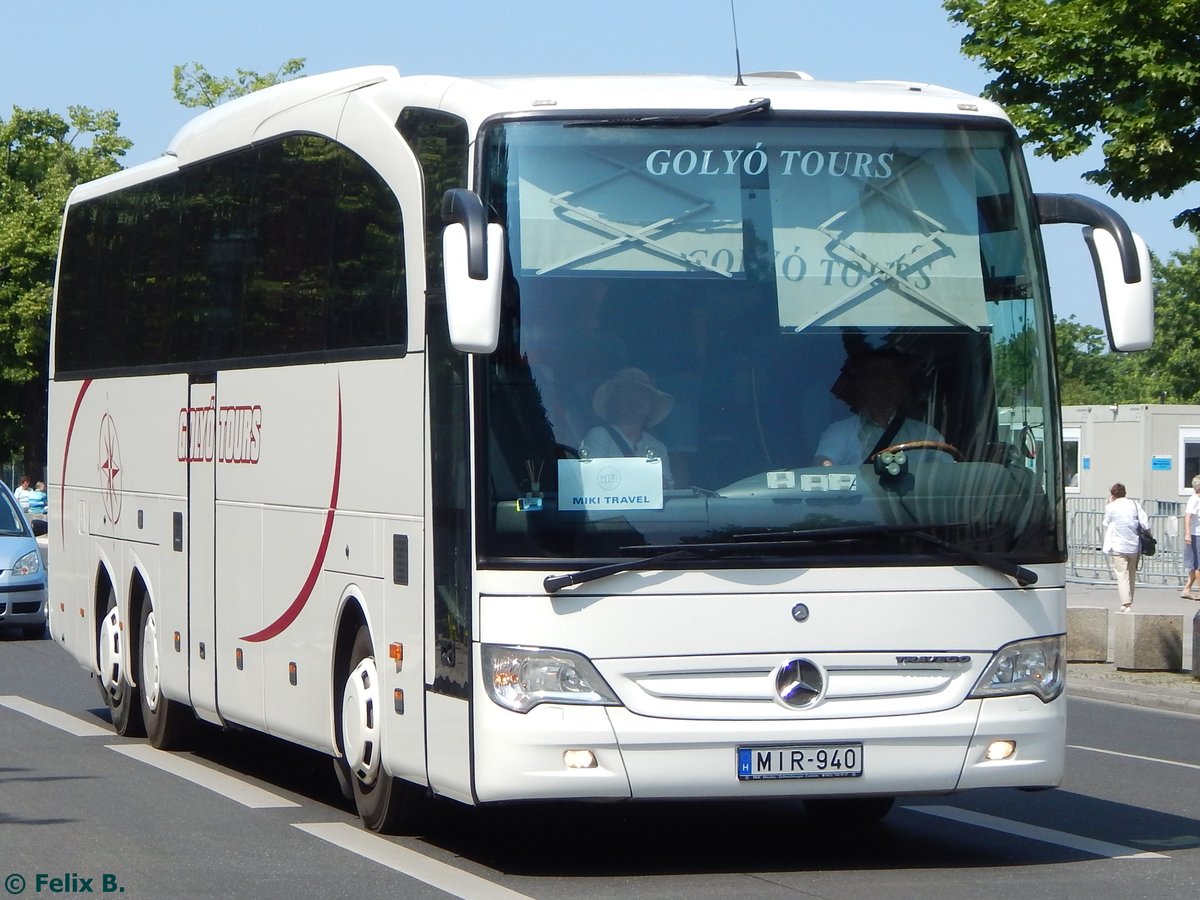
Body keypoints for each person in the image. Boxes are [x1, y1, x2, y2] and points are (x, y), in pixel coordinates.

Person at [812, 349, 950, 466]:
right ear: (862, 386)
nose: (881, 384)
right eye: (874, 377)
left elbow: (948, 475)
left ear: (899, 385)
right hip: (860, 498)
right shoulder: (841, 432)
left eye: (887, 377)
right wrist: (826, 466)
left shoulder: (926, 434)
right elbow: (823, 466)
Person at [580, 367, 675, 489]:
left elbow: (667, 489)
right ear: (614, 402)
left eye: (642, 395)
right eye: (627, 394)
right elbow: (592, 482)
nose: (634, 400)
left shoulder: (658, 447)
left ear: (651, 405)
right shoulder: (599, 436)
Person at [1101, 482, 1149, 612]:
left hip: (1119, 545)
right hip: (1134, 545)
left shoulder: (1111, 507)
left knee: (1122, 575)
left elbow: (1106, 523)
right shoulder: (1134, 504)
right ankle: (1129, 600)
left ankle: (1126, 603)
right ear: (1125, 493)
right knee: (1131, 574)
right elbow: (1145, 523)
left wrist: (1110, 502)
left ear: (1112, 494)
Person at [1183, 475, 1200, 599]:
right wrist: (1188, 533)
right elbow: (1187, 516)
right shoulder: (1194, 499)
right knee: (1198, 565)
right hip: (1196, 534)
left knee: (1195, 565)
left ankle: (1187, 589)